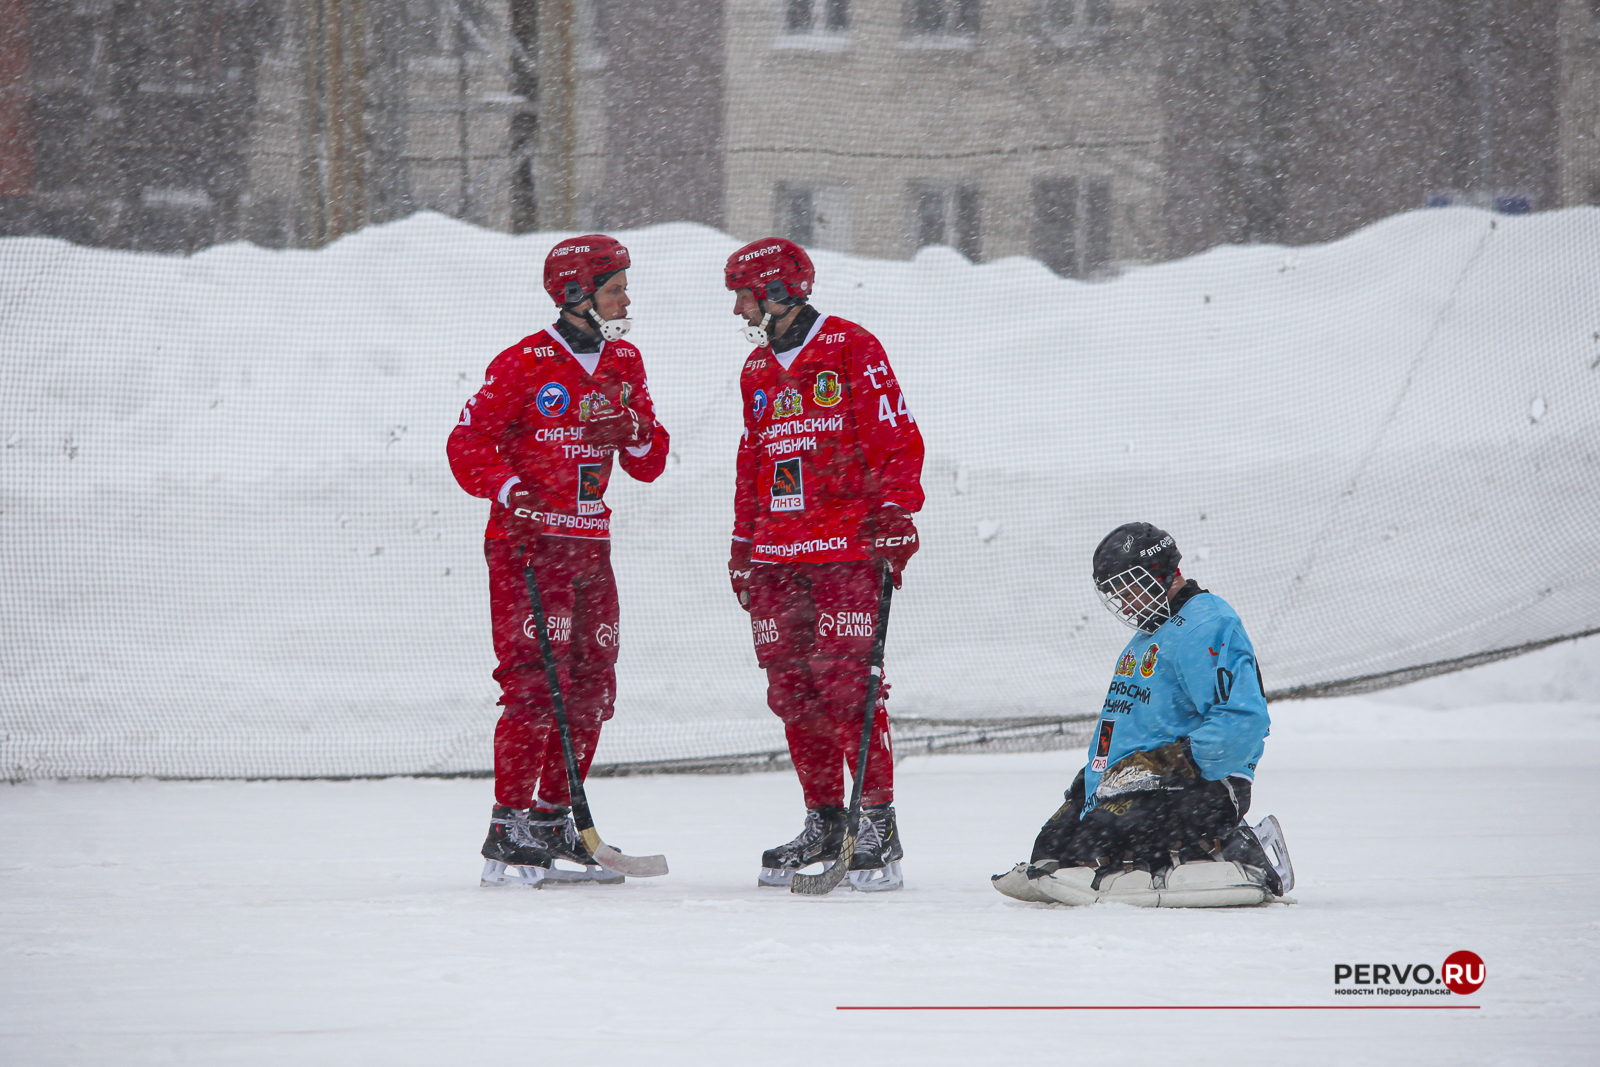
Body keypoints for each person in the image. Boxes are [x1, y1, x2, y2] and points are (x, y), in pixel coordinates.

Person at [448, 235, 669, 887]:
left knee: (592, 688)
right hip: (530, 547)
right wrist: (510, 490)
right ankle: (509, 828)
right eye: (614, 288)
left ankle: (551, 819)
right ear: (575, 293)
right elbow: (467, 441)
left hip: (590, 547)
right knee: (535, 687)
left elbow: (650, 462)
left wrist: (634, 431)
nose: (626, 298)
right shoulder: (524, 361)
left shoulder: (625, 360)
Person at [723, 237, 926, 892]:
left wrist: (895, 509)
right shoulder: (757, 369)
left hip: (844, 551)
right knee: (792, 690)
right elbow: (752, 461)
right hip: (776, 557)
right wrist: (743, 544)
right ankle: (826, 820)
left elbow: (896, 435)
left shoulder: (850, 347)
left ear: (777, 291)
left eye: (744, 296)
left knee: (848, 686)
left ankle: (877, 824)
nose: (738, 310)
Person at [991, 522, 1295, 907]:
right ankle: (1140, 856)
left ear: (1159, 573)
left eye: (1128, 587)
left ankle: (1235, 847)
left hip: (1201, 782)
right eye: (1115, 593)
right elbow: (1125, 720)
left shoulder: (1208, 623)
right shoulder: (1147, 637)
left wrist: (1175, 761)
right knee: (1052, 847)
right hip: (1131, 781)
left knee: (1099, 840)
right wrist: (1092, 779)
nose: (1124, 602)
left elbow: (1242, 718)